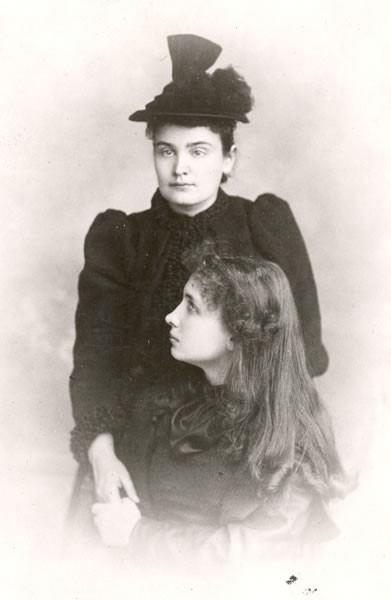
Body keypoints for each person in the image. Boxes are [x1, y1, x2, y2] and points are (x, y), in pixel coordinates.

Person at [69, 33, 329, 507]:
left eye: (198, 151)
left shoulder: (263, 225)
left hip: (248, 444)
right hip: (140, 445)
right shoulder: (122, 238)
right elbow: (95, 357)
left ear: (229, 159)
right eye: (166, 151)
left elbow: (301, 353)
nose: (180, 168)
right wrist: (102, 455)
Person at [90, 245, 344, 568]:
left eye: (191, 307)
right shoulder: (171, 402)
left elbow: (240, 559)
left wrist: (137, 534)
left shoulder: (293, 439)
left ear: (236, 336)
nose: (171, 316)